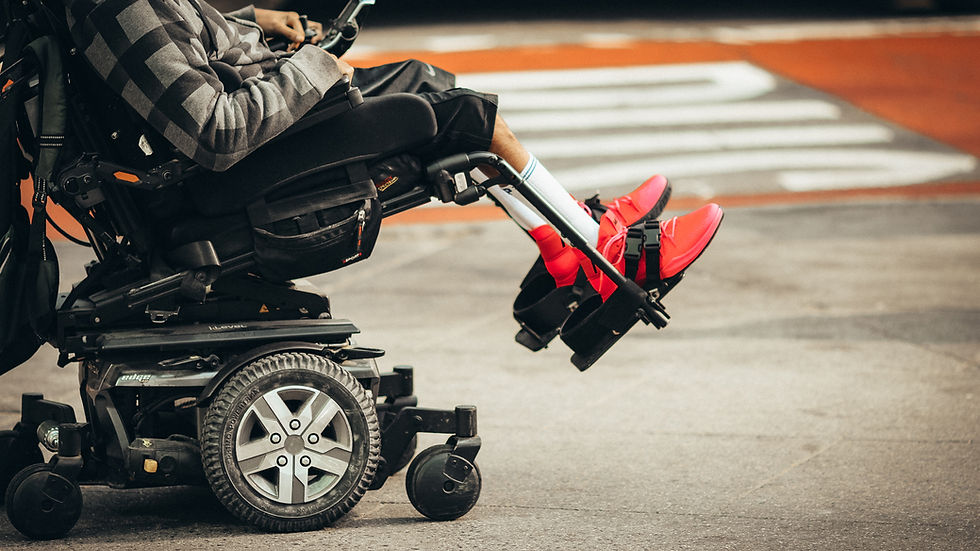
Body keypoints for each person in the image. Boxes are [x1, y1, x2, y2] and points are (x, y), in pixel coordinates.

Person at [63, 0, 722, 298]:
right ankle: (607, 258)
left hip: (236, 154)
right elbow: (216, 131)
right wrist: (316, 66)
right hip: (233, 181)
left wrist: (250, 23)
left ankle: (565, 242)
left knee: (424, 80)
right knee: (459, 117)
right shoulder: (122, 8)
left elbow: (182, 52)